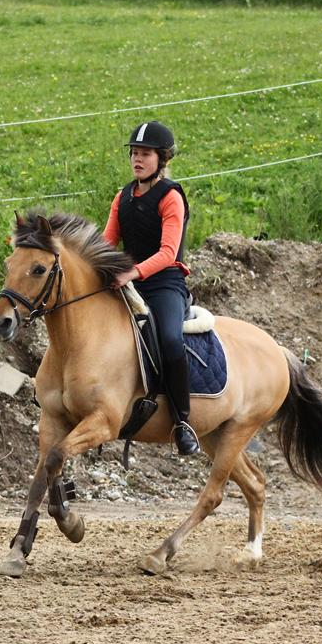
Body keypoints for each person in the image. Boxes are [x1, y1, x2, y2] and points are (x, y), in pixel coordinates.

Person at [103, 121, 201, 457]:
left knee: (171, 341)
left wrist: (131, 273)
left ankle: (182, 421)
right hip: (128, 282)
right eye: (134, 153)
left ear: (162, 158)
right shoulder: (123, 196)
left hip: (163, 284)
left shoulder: (171, 196)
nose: (137, 159)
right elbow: (106, 243)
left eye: (145, 154)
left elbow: (168, 253)